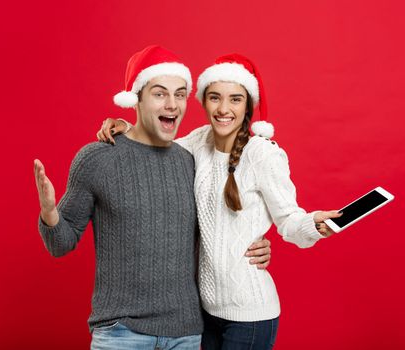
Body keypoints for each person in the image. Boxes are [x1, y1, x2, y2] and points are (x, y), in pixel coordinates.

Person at [97, 53, 343, 349]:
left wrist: (313, 225)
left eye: (235, 100)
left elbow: (289, 221)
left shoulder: (262, 154)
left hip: (250, 314)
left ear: (248, 105)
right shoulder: (196, 143)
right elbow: (154, 146)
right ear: (203, 101)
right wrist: (125, 125)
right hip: (204, 311)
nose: (224, 109)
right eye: (215, 98)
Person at [34, 45, 271, 350]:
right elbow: (60, 244)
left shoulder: (190, 160)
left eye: (180, 94)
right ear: (137, 98)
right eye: (160, 93)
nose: (172, 104)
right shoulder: (98, 159)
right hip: (120, 333)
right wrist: (50, 214)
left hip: (185, 333)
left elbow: (217, 229)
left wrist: (254, 242)